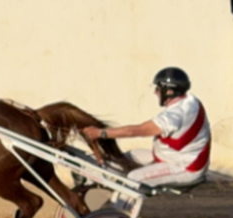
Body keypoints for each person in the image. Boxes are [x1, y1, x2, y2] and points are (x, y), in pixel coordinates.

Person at [82, 67, 210, 188]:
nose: (155, 92)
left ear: (169, 91)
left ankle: (118, 210)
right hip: (171, 157)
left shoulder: (174, 116)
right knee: (126, 157)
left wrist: (100, 133)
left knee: (134, 178)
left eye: (158, 89)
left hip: (185, 167)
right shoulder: (190, 101)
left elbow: (135, 131)